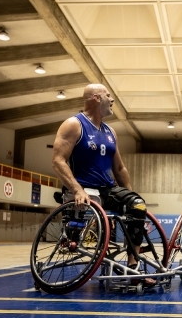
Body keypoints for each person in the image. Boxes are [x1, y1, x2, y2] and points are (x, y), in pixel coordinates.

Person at [52, 83, 154, 286]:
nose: (112, 99)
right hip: (83, 189)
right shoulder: (74, 124)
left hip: (107, 190)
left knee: (138, 205)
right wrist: (76, 190)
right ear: (96, 98)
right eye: (108, 95)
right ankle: (72, 235)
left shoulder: (110, 132)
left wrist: (131, 199)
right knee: (91, 203)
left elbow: (120, 169)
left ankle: (132, 267)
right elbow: (58, 160)